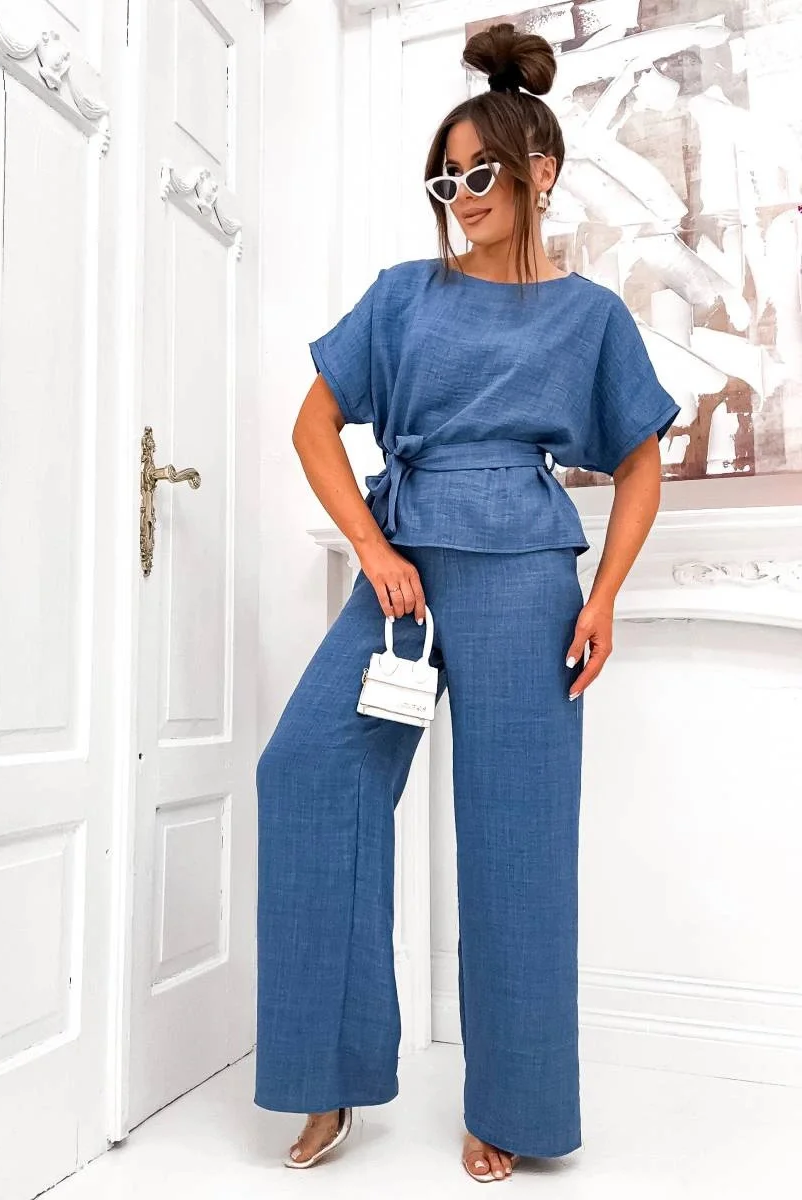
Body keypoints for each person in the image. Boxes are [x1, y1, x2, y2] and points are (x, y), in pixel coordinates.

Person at [253, 21, 681, 1185]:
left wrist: (603, 596)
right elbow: (313, 428)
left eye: (479, 172)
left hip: (525, 573)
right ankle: (328, 1075)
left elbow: (639, 461)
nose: (462, 195)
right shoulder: (403, 297)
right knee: (307, 773)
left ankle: (514, 1105)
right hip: (403, 571)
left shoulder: (589, 315)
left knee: (517, 839)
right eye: (445, 179)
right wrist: (372, 548)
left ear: (540, 171)